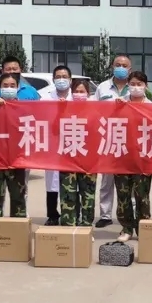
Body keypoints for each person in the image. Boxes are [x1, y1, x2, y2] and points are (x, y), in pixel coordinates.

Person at [114, 70, 152, 242]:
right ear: (127, 85)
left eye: (140, 84)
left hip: (143, 157)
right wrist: (117, 107)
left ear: (146, 86)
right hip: (122, 156)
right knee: (123, 194)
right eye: (133, 84)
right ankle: (126, 228)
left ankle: (143, 228)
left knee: (142, 195)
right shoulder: (120, 103)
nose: (136, 87)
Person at [0, 73, 30, 219]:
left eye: (12, 86)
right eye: (5, 85)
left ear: (17, 88)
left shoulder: (25, 107)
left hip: (16, 159)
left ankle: (18, 227)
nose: (9, 88)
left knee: (18, 195)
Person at [94, 54, 131, 228]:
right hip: (107, 138)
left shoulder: (136, 86)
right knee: (106, 180)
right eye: (118, 65)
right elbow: (93, 111)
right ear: (112, 67)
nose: (121, 68)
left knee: (129, 180)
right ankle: (105, 214)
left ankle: (131, 214)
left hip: (129, 139)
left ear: (130, 69)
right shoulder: (102, 87)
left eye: (124, 65)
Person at [39, 65, 77, 226]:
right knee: (52, 181)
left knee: (72, 180)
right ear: (54, 79)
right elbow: (41, 117)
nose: (61, 80)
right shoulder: (45, 97)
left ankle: (72, 213)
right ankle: (53, 215)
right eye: (58, 77)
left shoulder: (77, 97)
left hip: (73, 142)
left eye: (64, 77)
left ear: (70, 80)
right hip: (53, 143)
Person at [58, 79, 97, 227]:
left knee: (88, 194)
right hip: (68, 158)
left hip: (88, 159)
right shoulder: (65, 107)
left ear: (88, 93)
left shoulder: (95, 110)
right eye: (76, 91)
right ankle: (69, 224)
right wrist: (60, 109)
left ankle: (86, 225)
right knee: (68, 193)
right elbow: (53, 128)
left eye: (82, 92)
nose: (79, 94)